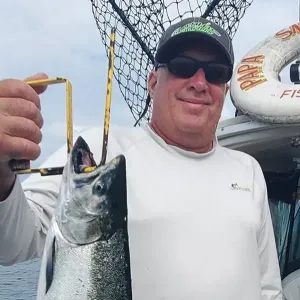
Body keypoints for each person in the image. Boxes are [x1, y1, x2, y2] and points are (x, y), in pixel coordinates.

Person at [0, 17, 283, 299]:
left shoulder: (248, 169)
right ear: (152, 81)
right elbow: (13, 244)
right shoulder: (100, 152)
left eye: (216, 72)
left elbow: (268, 287)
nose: (199, 83)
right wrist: (1, 173)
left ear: (224, 89)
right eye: (182, 67)